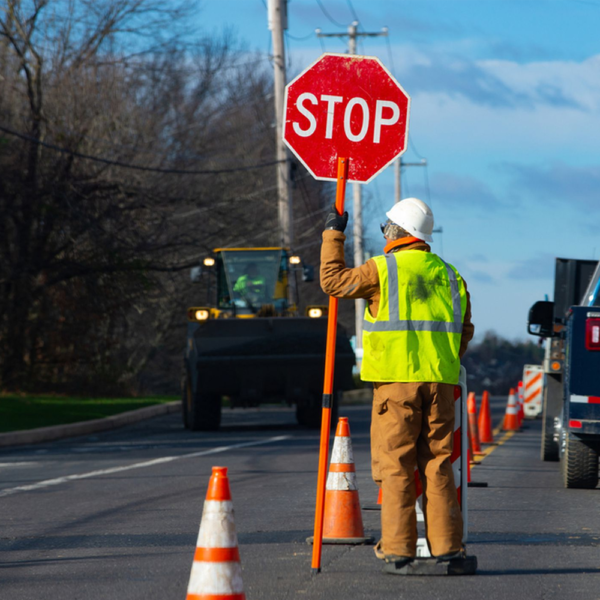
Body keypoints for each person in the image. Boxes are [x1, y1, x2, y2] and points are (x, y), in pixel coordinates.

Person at [320, 197, 474, 566]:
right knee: (438, 465)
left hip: (396, 385)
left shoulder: (381, 270)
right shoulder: (451, 275)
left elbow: (332, 282)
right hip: (440, 384)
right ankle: (447, 547)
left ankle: (399, 547)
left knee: (397, 466)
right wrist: (441, 365)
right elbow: (464, 332)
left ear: (394, 231)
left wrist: (332, 234)